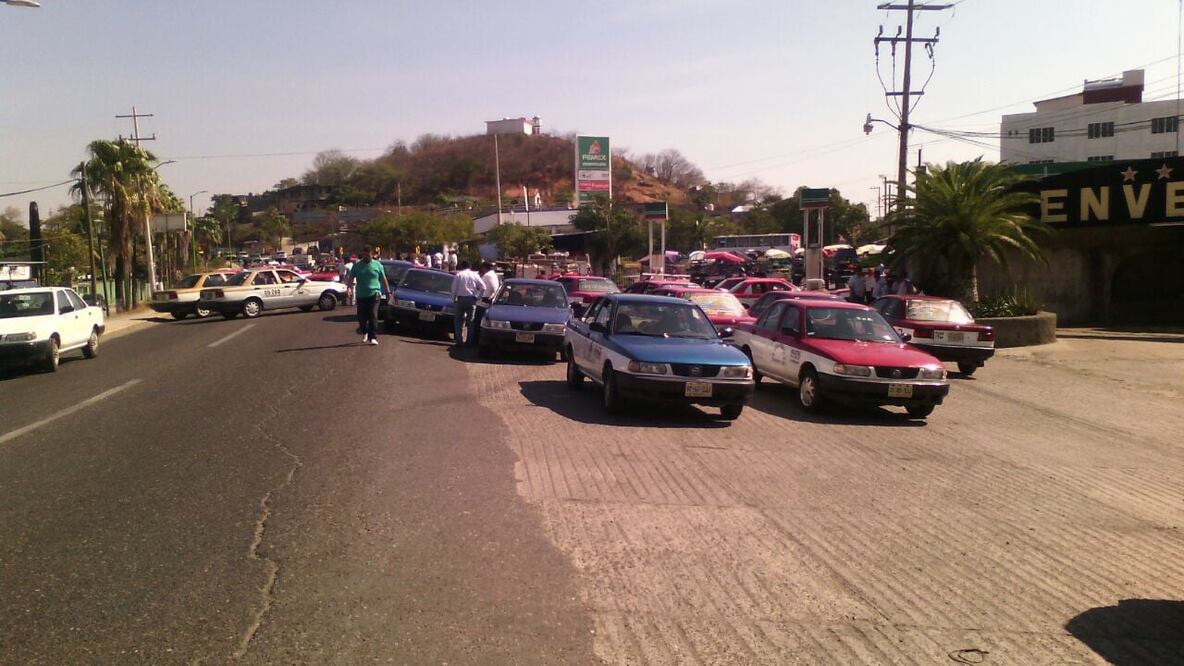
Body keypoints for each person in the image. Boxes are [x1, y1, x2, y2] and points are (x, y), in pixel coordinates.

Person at [348, 246, 390, 346]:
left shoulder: (377, 265)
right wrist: (349, 288)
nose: (366, 256)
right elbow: (350, 278)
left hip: (374, 294)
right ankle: (365, 331)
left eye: (368, 255)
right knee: (361, 318)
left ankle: (373, 337)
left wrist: (387, 292)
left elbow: (383, 279)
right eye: (364, 255)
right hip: (361, 295)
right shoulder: (357, 266)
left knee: (373, 315)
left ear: (372, 254)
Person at [450, 260, 486, 346]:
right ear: (470, 267)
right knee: (471, 322)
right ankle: (469, 342)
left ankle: (459, 341)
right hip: (471, 300)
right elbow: (483, 287)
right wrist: (478, 297)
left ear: (462, 267)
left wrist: (454, 299)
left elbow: (454, 289)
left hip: (461, 299)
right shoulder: (475, 275)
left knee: (458, 321)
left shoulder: (459, 275)